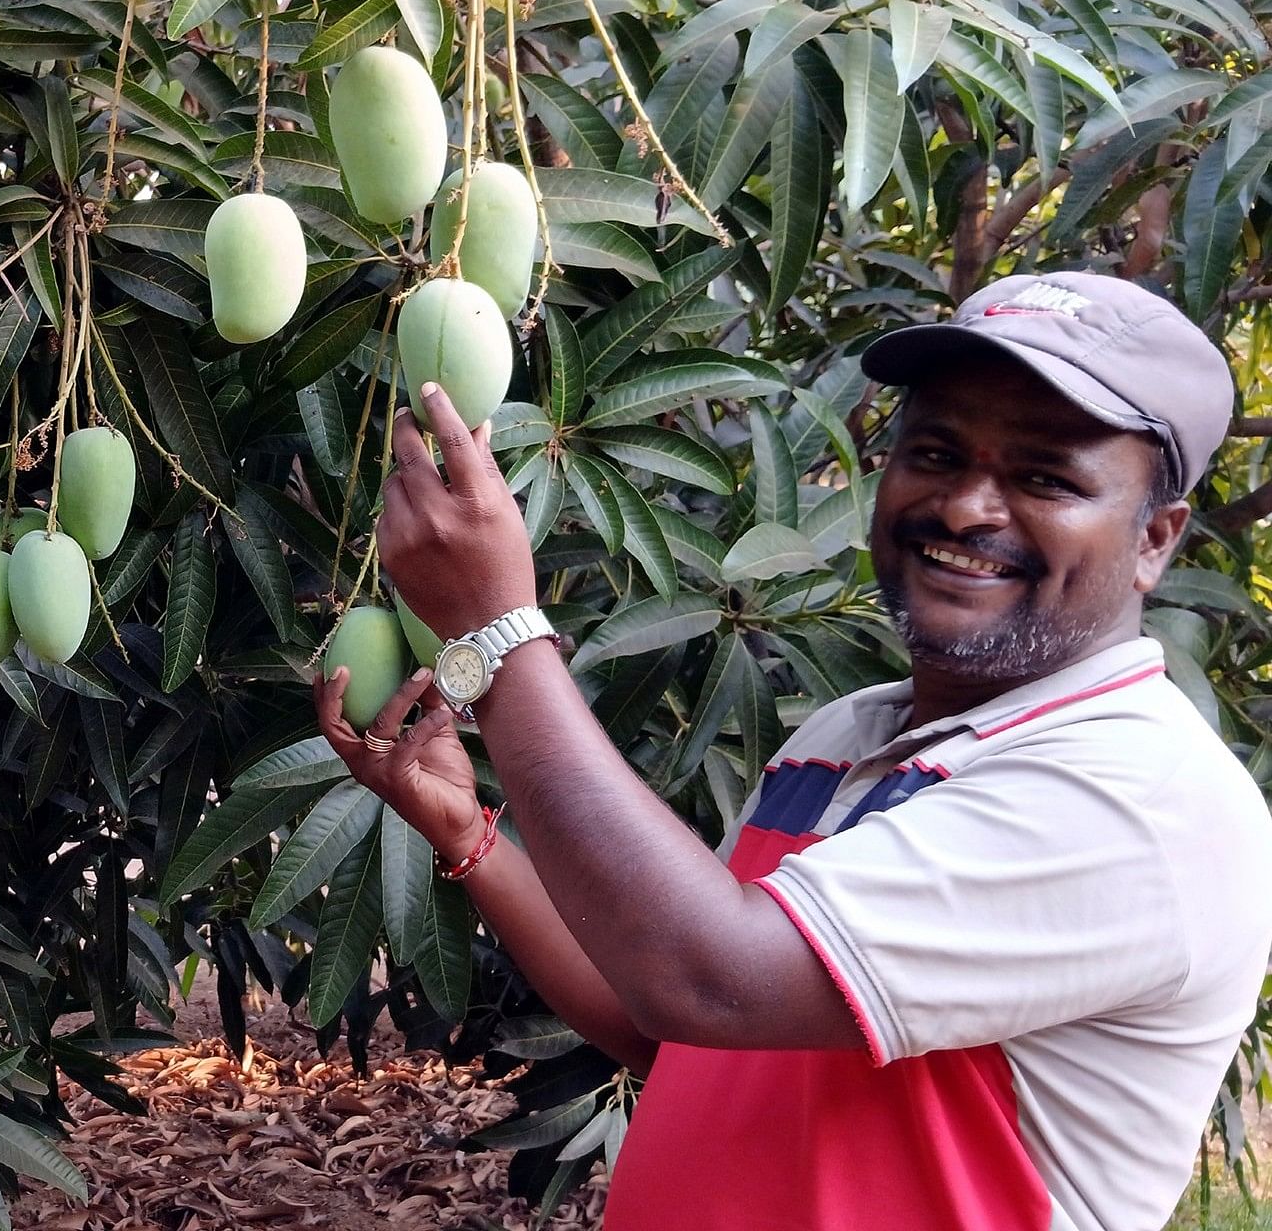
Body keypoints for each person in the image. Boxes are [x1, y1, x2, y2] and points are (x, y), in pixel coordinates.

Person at [318, 272, 1272, 1230]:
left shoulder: (1142, 798)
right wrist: (469, 833)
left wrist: (501, 633)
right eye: (936, 453)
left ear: (1154, 539)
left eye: (1045, 478)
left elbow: (710, 981)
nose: (967, 507)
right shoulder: (847, 736)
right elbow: (679, 1024)